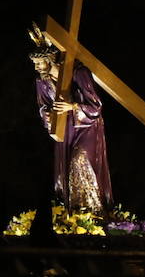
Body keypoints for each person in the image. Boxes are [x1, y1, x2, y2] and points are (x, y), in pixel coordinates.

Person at [29, 24, 110, 213]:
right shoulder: (42, 82)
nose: (37, 67)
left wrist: (72, 106)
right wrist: (47, 115)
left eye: (39, 63)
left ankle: (91, 211)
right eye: (34, 64)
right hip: (65, 128)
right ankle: (71, 212)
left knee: (79, 160)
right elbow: (42, 107)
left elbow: (96, 106)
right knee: (65, 168)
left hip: (86, 127)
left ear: (50, 59)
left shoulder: (79, 73)